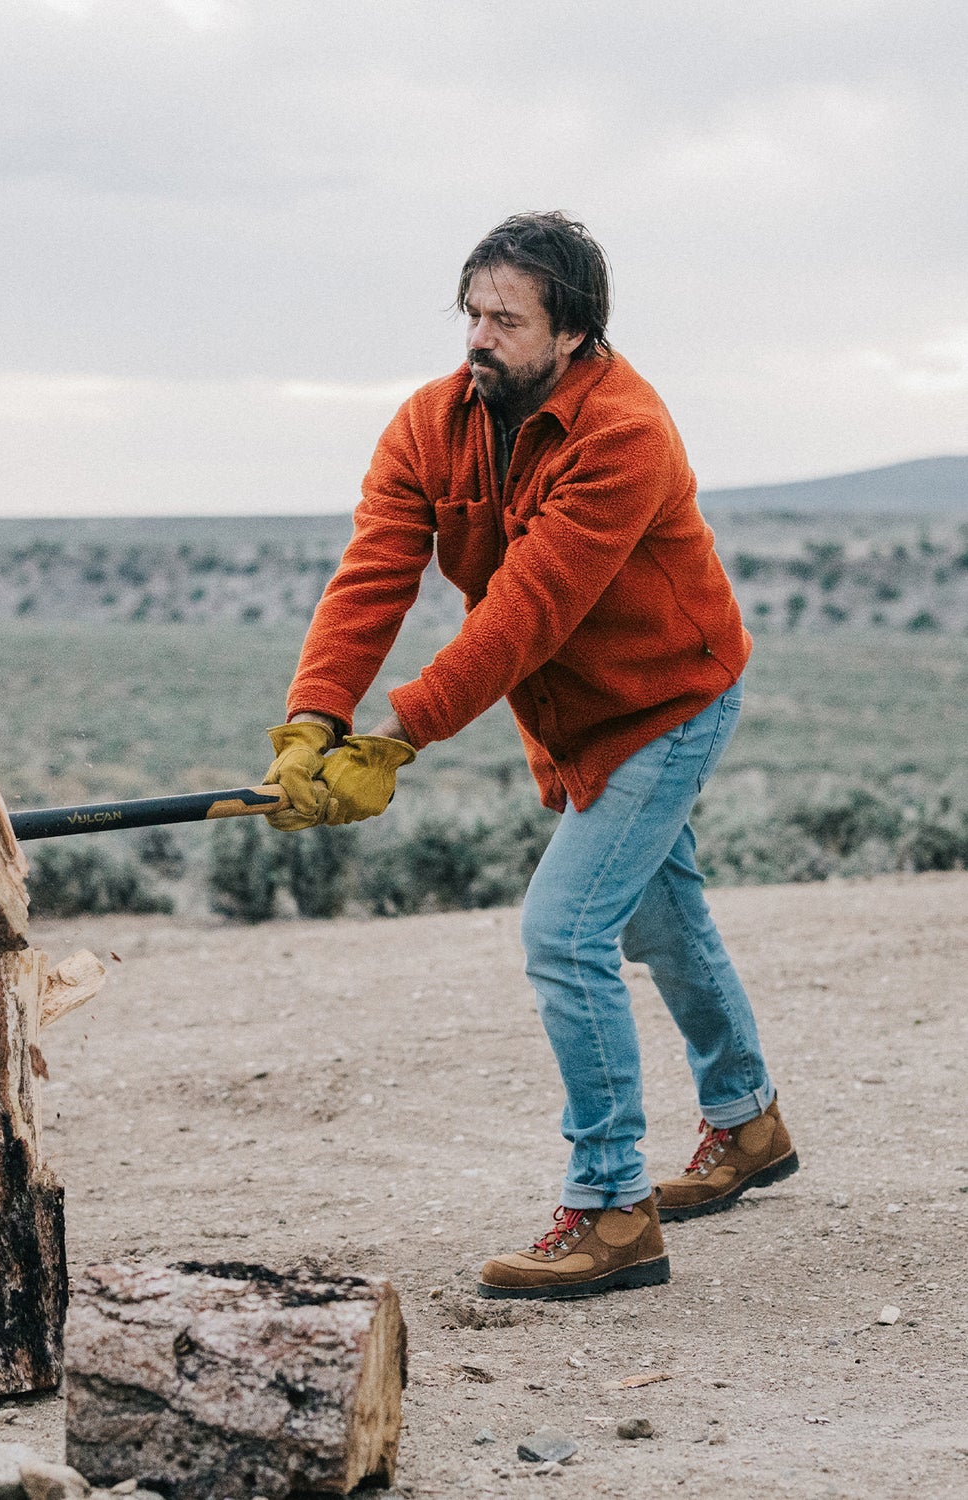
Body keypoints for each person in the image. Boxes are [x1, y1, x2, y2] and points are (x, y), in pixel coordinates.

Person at [264, 211, 797, 1299]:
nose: (479, 335)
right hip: (575, 718)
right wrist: (314, 719)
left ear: (573, 333)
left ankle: (612, 1210)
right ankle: (748, 1125)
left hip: (670, 697)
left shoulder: (626, 432)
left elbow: (524, 617)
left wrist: (399, 732)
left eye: (506, 318)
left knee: (566, 930)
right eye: (471, 311)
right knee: (654, 912)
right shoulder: (431, 423)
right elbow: (373, 576)